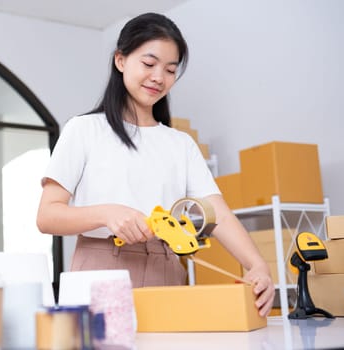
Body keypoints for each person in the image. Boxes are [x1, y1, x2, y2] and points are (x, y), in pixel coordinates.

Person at [36, 12, 274, 316]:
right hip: (102, 268)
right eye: (148, 64)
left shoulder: (180, 144)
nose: (159, 77)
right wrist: (107, 213)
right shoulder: (83, 130)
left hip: (165, 265)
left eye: (170, 70)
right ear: (120, 61)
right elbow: (47, 216)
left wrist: (257, 265)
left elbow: (217, 216)